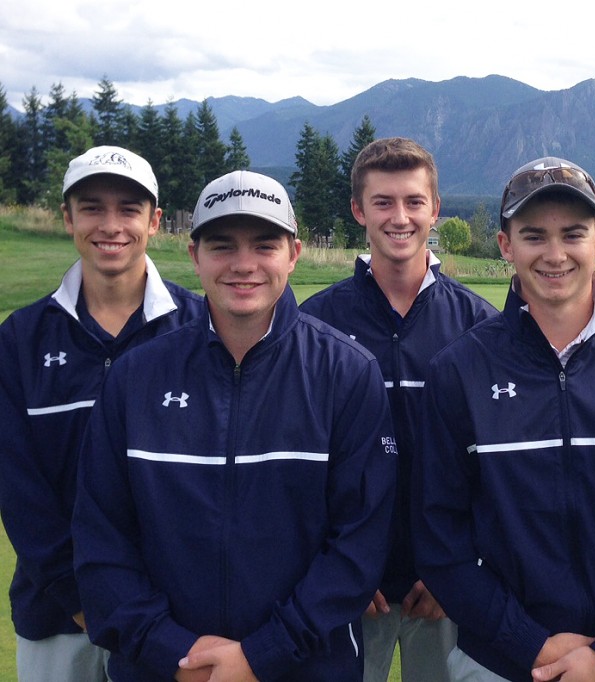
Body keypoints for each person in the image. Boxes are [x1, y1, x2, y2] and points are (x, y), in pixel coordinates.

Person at [72, 170, 397, 681]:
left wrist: (260, 656)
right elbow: (102, 540)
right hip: (164, 670)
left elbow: (359, 546)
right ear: (194, 255)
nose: (243, 265)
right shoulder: (135, 376)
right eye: (222, 246)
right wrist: (177, 653)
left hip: (308, 667)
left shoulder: (348, 373)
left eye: (264, 245)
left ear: (293, 253)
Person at [412, 157, 595, 682]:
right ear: (506, 246)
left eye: (573, 234)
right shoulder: (458, 371)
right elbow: (440, 540)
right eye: (533, 235)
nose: (554, 254)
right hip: (498, 664)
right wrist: (531, 645)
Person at [0, 145, 204, 681]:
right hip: (58, 615)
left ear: (155, 221)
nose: (110, 225)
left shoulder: (202, 327)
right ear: (67, 217)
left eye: (128, 209)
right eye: (91, 207)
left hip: (175, 614)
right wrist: (83, 598)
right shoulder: (19, 339)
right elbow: (19, 491)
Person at [300, 137, 498, 682]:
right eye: (383, 202)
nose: (400, 217)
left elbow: (494, 464)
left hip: (445, 584)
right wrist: (340, 571)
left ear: (436, 210)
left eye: (414, 202)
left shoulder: (479, 326)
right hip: (344, 587)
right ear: (359, 211)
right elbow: (300, 462)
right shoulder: (313, 324)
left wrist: (459, 569)